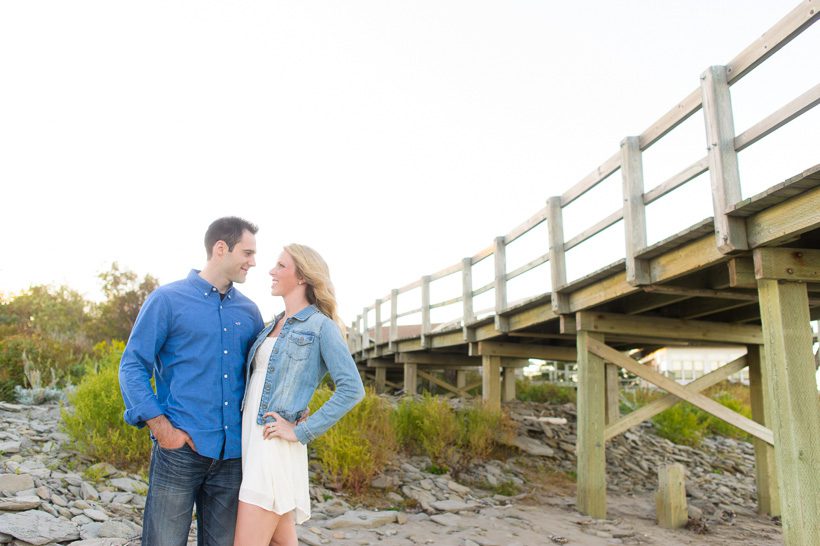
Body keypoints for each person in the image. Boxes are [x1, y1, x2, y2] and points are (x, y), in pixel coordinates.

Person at [119, 216, 265, 546]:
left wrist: (294, 408)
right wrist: (162, 429)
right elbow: (132, 366)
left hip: (232, 460)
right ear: (220, 248)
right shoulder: (167, 300)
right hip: (179, 452)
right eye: (247, 253)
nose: (253, 263)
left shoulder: (250, 311)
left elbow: (260, 375)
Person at [233, 243, 365, 546]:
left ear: (303, 276)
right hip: (253, 446)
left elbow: (352, 389)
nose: (271, 271)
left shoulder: (321, 326)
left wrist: (301, 430)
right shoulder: (271, 325)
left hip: (273, 448)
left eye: (281, 265)